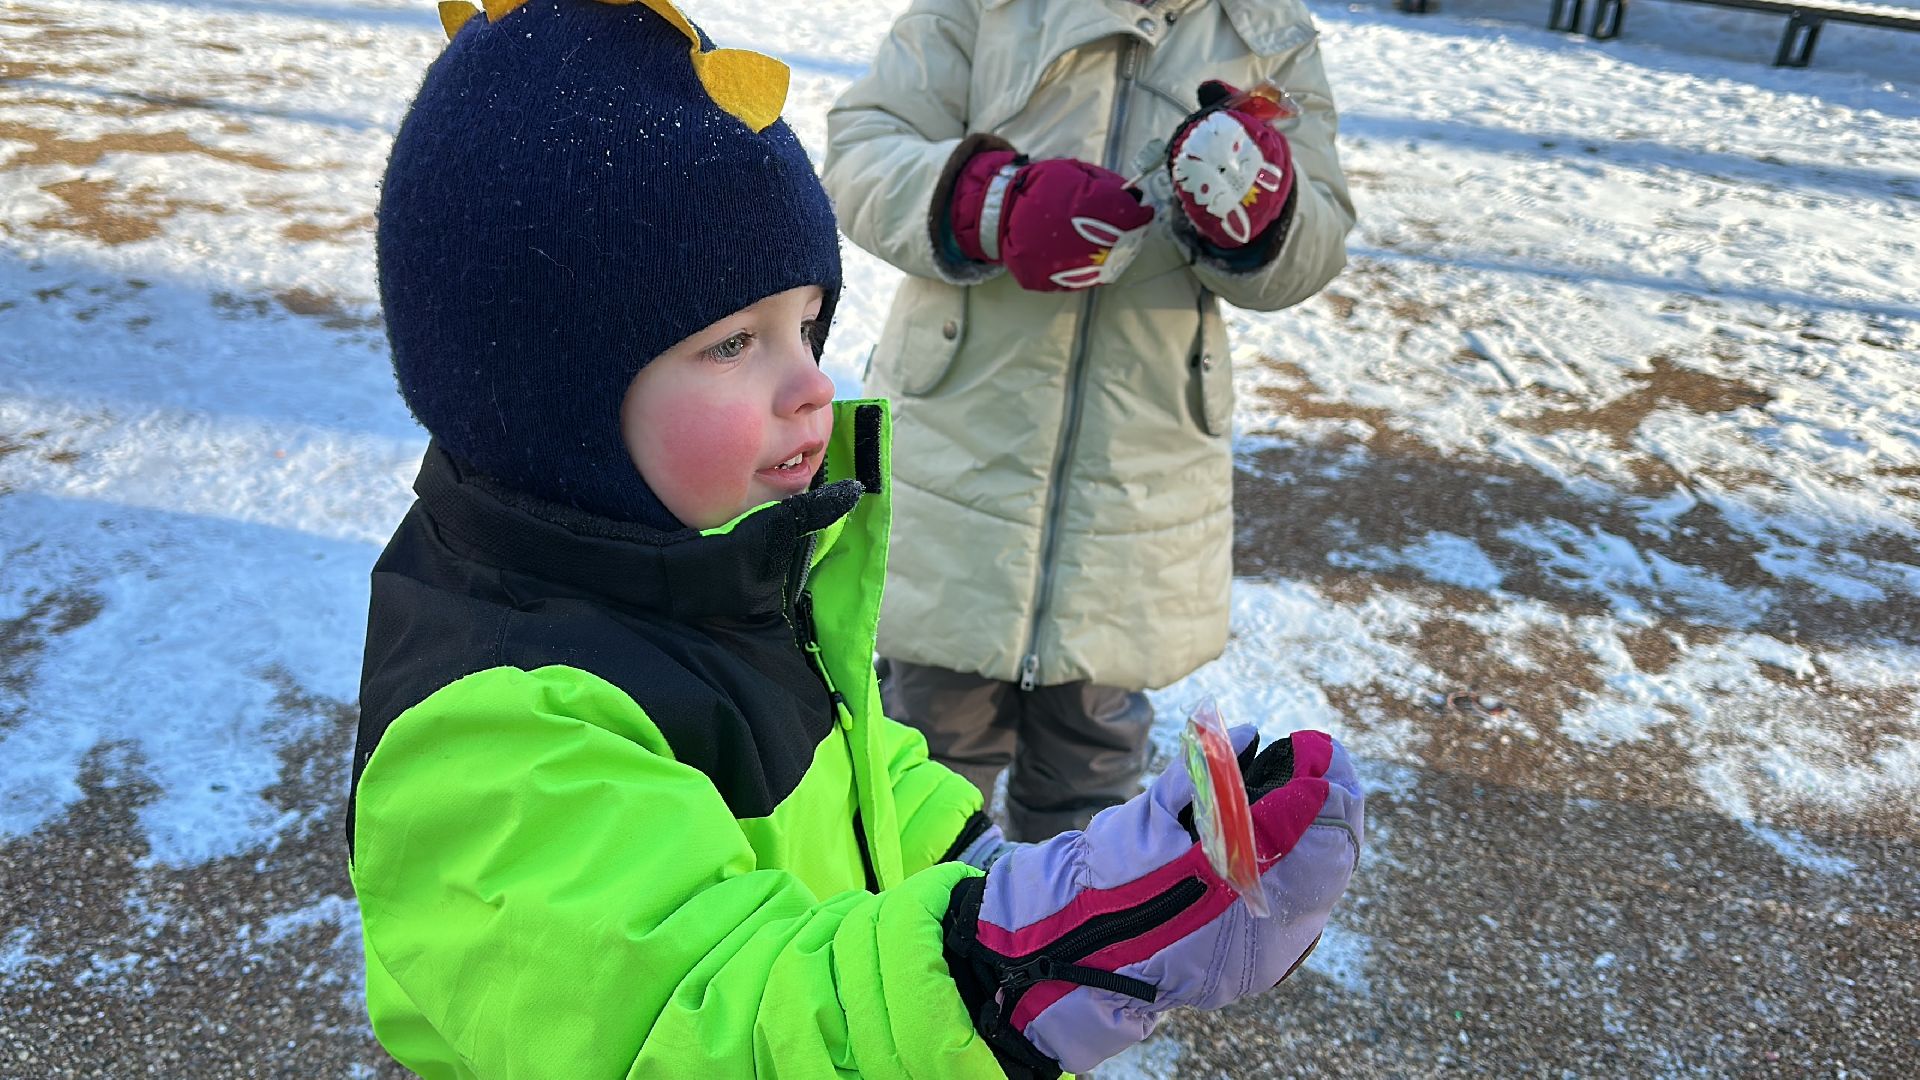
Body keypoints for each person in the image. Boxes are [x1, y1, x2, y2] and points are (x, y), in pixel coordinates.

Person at [348, 2, 1363, 1076]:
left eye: (808, 326)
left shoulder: (718, 572)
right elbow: (712, 1025)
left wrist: (1029, 885)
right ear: (545, 394)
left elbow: (864, 792)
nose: (813, 386)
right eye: (734, 342)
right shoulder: (504, 733)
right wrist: (1010, 966)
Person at [822, 0, 1356, 841]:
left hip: (1138, 476)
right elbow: (862, 149)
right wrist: (992, 204)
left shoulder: (1268, 35)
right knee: (923, 770)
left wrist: (1267, 212)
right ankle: (915, 922)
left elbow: (1319, 236)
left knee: (1094, 789)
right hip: (965, 455)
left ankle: (1073, 929)